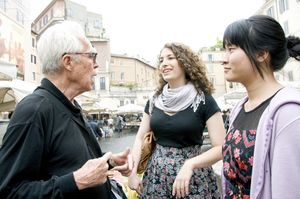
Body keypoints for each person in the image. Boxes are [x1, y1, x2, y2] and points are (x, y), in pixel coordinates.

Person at [0, 21, 132, 199]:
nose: (96, 64)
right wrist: (77, 181)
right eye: (92, 55)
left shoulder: (71, 105)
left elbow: (69, 163)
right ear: (68, 62)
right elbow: (10, 192)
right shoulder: (34, 111)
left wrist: (110, 162)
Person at [128, 42, 226, 198]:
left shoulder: (203, 100)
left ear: (185, 62)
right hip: (156, 177)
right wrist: (132, 173)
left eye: (170, 58)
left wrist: (190, 164)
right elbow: (139, 138)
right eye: (161, 60)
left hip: (193, 178)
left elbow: (221, 147)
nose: (164, 64)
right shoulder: (154, 101)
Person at [221, 15, 300, 199]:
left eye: (231, 50)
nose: (223, 59)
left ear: (261, 54)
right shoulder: (239, 109)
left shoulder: (289, 113)